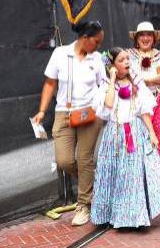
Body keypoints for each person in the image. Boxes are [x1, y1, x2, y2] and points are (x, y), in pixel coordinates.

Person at [91, 48, 160, 228]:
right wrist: (112, 78)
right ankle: (109, 214)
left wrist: (152, 133)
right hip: (114, 135)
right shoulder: (107, 85)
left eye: (128, 59)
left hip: (134, 133)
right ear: (112, 65)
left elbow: (144, 110)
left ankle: (131, 217)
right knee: (112, 173)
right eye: (121, 60)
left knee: (131, 175)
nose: (127, 62)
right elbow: (107, 104)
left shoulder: (137, 82)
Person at [32, 20, 106, 226]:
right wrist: (41, 111)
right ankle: (94, 179)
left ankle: (84, 205)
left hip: (90, 114)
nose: (98, 46)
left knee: (84, 159)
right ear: (85, 38)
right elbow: (50, 83)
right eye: (96, 41)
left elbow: (105, 83)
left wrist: (102, 103)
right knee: (64, 160)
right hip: (64, 112)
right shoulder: (61, 54)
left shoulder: (97, 58)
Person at [127, 21, 160, 96]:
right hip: (135, 99)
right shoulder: (128, 55)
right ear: (137, 38)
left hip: (158, 100)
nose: (145, 38)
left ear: (154, 38)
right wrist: (152, 80)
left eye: (149, 35)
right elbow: (129, 79)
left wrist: (143, 80)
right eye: (141, 35)